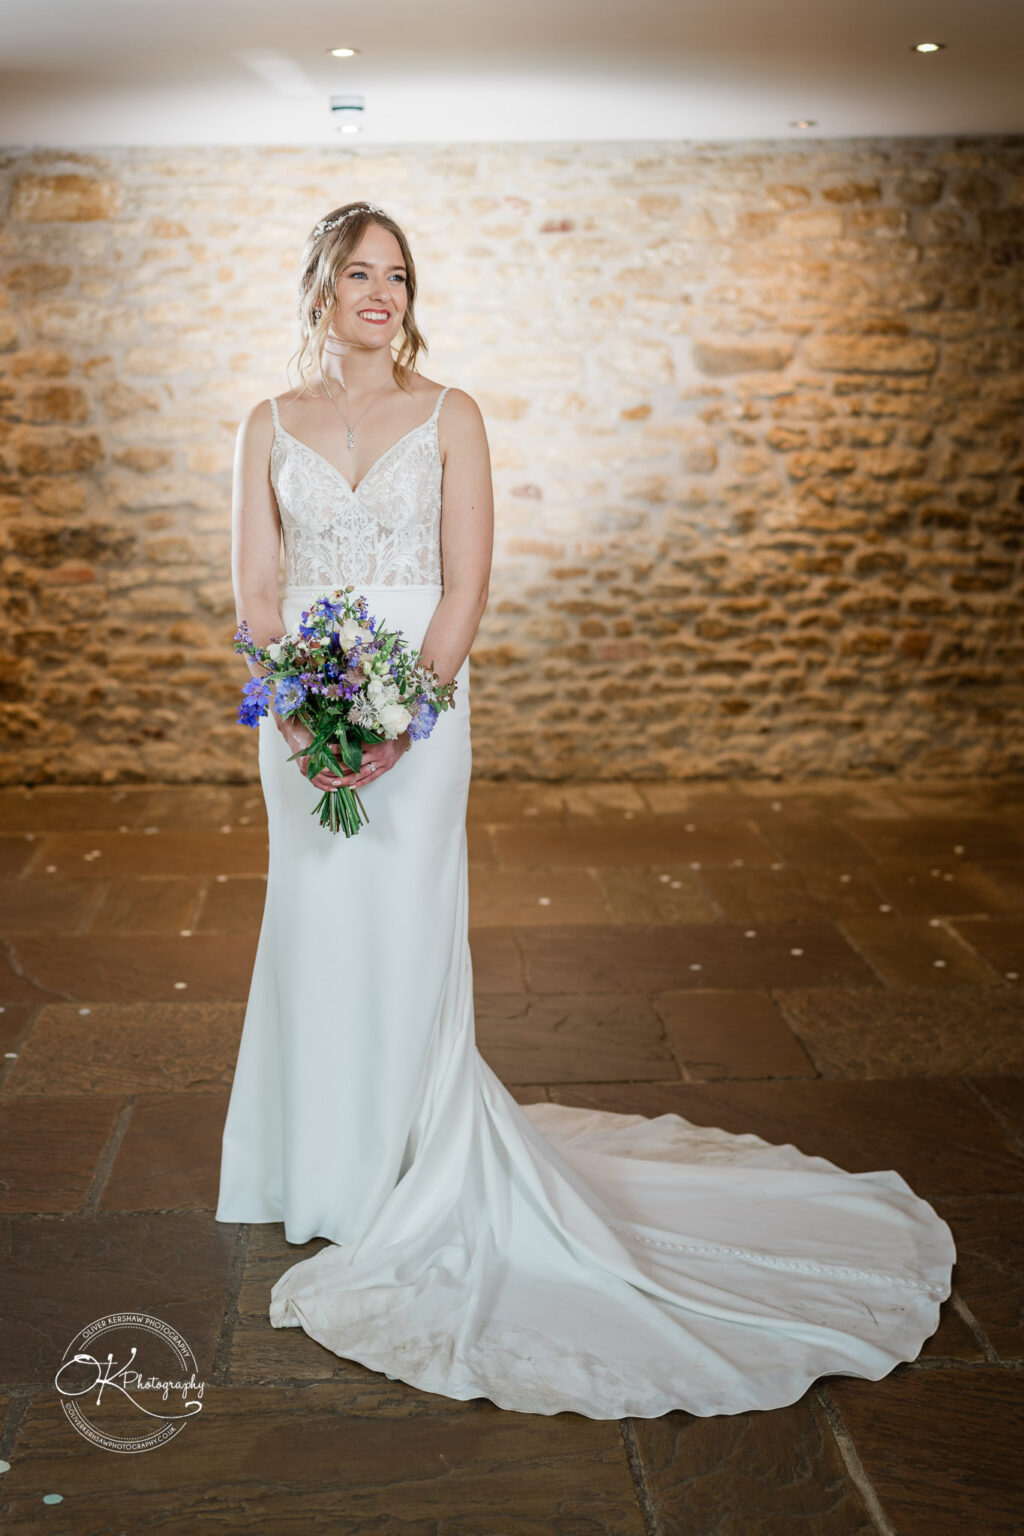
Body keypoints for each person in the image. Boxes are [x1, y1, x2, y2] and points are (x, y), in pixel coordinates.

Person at [215, 201, 956, 1419]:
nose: (383, 295)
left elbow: (467, 581)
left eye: (398, 276)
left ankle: (409, 1173)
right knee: (311, 929)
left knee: (403, 928)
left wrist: (403, 721)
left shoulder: (452, 416)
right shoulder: (266, 425)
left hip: (417, 704)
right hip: (302, 711)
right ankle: (320, 1173)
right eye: (361, 274)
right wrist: (299, 720)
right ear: (318, 288)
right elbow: (255, 587)